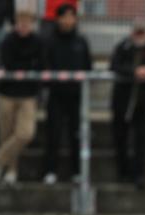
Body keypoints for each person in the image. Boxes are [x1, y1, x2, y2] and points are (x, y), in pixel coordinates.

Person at [0, 8, 44, 185]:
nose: (23, 26)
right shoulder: (7, 41)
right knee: (6, 134)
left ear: (32, 25)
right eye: (20, 23)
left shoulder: (38, 42)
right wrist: (27, 65)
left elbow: (40, 65)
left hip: (28, 94)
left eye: (27, 23)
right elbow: (8, 63)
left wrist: (24, 67)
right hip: (6, 94)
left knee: (25, 133)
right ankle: (10, 170)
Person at [109, 19, 145, 190]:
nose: (140, 36)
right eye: (137, 32)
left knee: (141, 140)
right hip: (122, 100)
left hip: (143, 102)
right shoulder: (123, 47)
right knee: (120, 137)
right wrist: (133, 72)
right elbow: (115, 65)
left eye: (143, 33)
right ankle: (123, 172)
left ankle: (139, 174)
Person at [42, 4, 91, 185]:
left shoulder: (81, 41)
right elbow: (45, 66)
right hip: (56, 94)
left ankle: (77, 171)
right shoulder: (50, 41)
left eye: (71, 16)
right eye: (64, 17)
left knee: (76, 134)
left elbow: (87, 66)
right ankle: (50, 170)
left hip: (76, 95)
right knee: (53, 133)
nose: (68, 21)